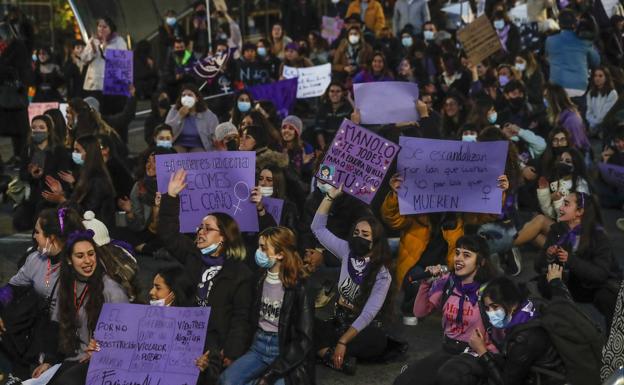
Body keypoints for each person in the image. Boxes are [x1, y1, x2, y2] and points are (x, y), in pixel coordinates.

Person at [158, 169, 254, 383]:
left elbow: (241, 318)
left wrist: (230, 353)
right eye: (200, 227)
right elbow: (168, 234)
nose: (200, 232)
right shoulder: (193, 256)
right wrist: (171, 197)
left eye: (207, 229)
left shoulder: (240, 274)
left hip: (214, 345)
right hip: (184, 335)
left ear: (223, 237)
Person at [393, 235, 498, 385]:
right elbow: (420, 313)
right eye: (457, 253)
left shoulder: (490, 290)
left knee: (448, 378)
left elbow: (503, 330)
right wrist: (425, 284)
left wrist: (489, 356)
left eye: (466, 255)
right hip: (448, 350)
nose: (458, 259)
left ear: (481, 262)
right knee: (403, 381)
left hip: (474, 354)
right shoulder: (447, 282)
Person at [311, 184, 393, 374]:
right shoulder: (347, 250)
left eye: (365, 235)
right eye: (356, 233)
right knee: (306, 321)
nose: (359, 238)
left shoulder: (382, 274)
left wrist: (342, 341)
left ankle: (324, 351)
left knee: (376, 342)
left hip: (361, 328)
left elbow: (368, 314)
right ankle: (328, 355)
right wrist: (330, 197)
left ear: (375, 240)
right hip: (338, 320)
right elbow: (317, 228)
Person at [30, 229, 129, 385]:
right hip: (72, 357)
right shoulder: (67, 285)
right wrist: (48, 361)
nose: (88, 261)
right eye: (80, 256)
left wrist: (103, 350)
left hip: (99, 361)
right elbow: (56, 324)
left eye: (91, 254)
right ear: (69, 260)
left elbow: (126, 339)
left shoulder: (112, 292)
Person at [218, 227, 314, 384]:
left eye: (263, 248)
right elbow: (249, 320)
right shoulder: (259, 280)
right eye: (259, 246)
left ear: (280, 254)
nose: (258, 252)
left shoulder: (299, 287)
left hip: (284, 349)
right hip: (259, 345)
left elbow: (304, 338)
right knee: (226, 380)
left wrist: (272, 372)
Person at [0, 208, 84, 379]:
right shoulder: (36, 259)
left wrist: (50, 359)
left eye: (37, 232)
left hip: (68, 335)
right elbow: (11, 287)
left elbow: (63, 321)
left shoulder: (75, 267)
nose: (34, 236)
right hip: (38, 328)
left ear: (51, 238)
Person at [535, 192, 622, 327]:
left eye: (566, 204)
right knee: (545, 282)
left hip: (595, 286)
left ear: (579, 212)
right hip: (573, 282)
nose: (560, 208)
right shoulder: (558, 230)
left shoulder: (598, 237)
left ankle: (614, 342)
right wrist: (549, 256)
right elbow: (538, 266)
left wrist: (570, 260)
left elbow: (600, 275)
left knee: (609, 298)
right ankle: (560, 333)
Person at [470, 275, 562, 385]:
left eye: (495, 307)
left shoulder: (523, 339)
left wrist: (482, 352)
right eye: (487, 308)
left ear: (512, 304)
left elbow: (507, 382)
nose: (490, 313)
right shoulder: (532, 308)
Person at [42, 134, 116, 228]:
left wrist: (62, 200)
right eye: (74, 150)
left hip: (97, 231)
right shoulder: (84, 174)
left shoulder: (98, 179)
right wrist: (61, 193)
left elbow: (88, 213)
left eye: (77, 150)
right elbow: (79, 202)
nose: (74, 153)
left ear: (89, 153)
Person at [13, 115, 71, 231]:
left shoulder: (59, 151)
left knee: (42, 222)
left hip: (50, 196)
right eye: (34, 127)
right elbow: (22, 174)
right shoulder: (28, 150)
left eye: (41, 127)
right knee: (19, 223)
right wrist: (31, 175)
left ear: (49, 131)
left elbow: (62, 176)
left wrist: (43, 175)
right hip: (32, 196)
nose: (37, 130)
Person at [545, 9, 600, 100]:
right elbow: (596, 61)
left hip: (557, 87)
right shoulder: (584, 41)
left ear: (559, 23)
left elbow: (547, 58)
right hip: (580, 87)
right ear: (575, 23)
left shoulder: (550, 40)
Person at [80, 17, 128, 115]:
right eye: (99, 26)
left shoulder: (118, 41)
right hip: (95, 84)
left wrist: (105, 47)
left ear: (111, 28)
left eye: (104, 27)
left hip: (112, 84)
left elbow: (122, 61)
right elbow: (83, 59)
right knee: (95, 110)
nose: (101, 29)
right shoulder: (93, 40)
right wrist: (92, 50)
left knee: (110, 112)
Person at [165, 83, 218, 153]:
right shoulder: (174, 110)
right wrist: (179, 116)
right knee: (177, 155)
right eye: (183, 95)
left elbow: (214, 134)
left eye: (190, 95)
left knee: (197, 158)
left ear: (197, 98)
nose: (186, 97)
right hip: (179, 144)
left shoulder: (208, 114)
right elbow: (166, 130)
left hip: (199, 145)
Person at [315, 82, 353, 150]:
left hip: (345, 146)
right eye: (332, 91)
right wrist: (324, 150)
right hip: (328, 146)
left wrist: (349, 98)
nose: (334, 94)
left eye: (338, 91)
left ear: (343, 93)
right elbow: (319, 132)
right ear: (328, 93)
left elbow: (357, 118)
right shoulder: (323, 108)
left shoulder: (348, 108)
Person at [586, 66, 618, 135]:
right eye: (595, 76)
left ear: (606, 78)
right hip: (593, 126)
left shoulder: (612, 93)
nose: (597, 78)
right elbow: (588, 113)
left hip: (606, 126)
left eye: (600, 76)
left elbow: (604, 115)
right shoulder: (590, 93)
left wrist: (594, 124)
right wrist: (592, 125)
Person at [281, 115, 315, 181]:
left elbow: (308, 177)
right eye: (284, 128)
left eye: (291, 128)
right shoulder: (278, 147)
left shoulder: (306, 148)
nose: (286, 130)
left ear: (297, 132)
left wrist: (304, 164)